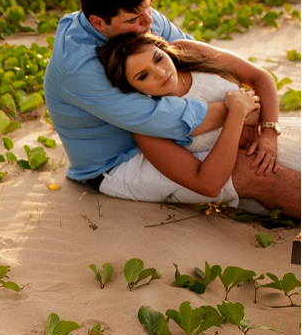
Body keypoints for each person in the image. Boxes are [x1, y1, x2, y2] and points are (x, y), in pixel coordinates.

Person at [44, 0, 296, 215]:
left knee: (271, 149)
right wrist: (240, 109)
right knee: (255, 171)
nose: (150, 22)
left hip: (173, 136)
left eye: (148, 9)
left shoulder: (138, 17)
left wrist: (262, 123)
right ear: (98, 22)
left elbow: (191, 62)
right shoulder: (80, 68)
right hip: (120, 161)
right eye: (134, 19)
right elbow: (158, 119)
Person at [96, 32, 300, 218]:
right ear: (130, 88)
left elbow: (260, 76)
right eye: (143, 75)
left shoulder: (188, 51)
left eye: (158, 58)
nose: (160, 73)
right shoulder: (147, 128)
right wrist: (236, 114)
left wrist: (269, 132)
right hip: (257, 170)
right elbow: (209, 186)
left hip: (276, 139)